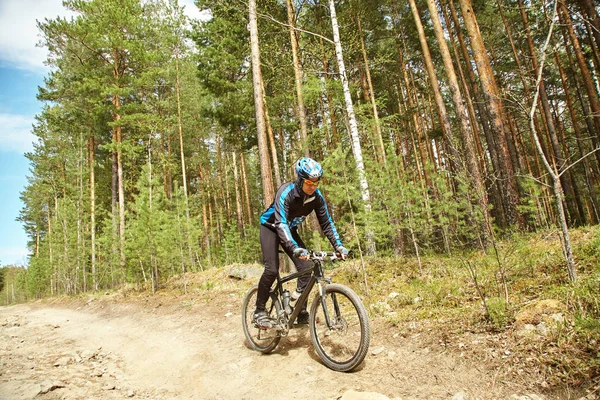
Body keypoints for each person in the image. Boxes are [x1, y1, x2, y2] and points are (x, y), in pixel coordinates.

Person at [253, 157, 348, 329]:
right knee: (272, 269)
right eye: (309, 183)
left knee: (307, 268)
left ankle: (299, 309)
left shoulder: (317, 198)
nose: (312, 187)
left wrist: (338, 246)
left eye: (316, 183)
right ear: (300, 179)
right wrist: (294, 248)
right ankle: (259, 311)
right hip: (271, 228)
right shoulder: (286, 192)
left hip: (289, 230)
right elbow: (281, 223)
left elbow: (326, 223)